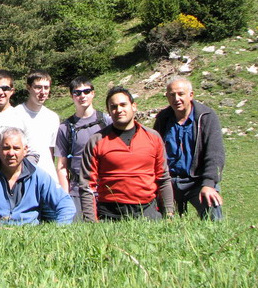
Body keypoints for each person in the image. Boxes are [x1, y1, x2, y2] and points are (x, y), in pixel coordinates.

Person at [79, 86, 174, 221]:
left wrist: (169, 213)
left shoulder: (153, 137)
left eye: (123, 105)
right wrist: (90, 221)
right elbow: (87, 185)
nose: (119, 110)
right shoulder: (96, 140)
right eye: (114, 107)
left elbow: (163, 178)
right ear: (109, 112)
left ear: (133, 106)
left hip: (147, 211)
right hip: (110, 214)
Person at [0, 128, 75, 225]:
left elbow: (66, 204)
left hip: (31, 237)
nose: (11, 153)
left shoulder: (39, 176)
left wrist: (60, 230)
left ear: (25, 150)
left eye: (16, 148)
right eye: (6, 148)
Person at [153, 77, 225, 220]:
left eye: (181, 94)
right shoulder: (163, 118)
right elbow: (154, 151)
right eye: (172, 95)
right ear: (167, 96)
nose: (176, 99)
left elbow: (215, 154)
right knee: (158, 221)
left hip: (197, 180)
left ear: (191, 95)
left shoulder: (206, 117)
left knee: (213, 209)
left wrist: (209, 184)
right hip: (169, 181)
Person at [55, 76, 112, 219]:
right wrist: (65, 196)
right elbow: (62, 166)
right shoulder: (65, 128)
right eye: (77, 92)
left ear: (93, 93)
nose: (82, 96)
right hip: (77, 190)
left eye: (86, 91)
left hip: (106, 188)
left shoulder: (107, 121)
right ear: (72, 96)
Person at [14, 70, 60, 185]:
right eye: (38, 87)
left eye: (46, 88)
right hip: (23, 178)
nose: (43, 92)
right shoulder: (15, 114)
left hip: (48, 178)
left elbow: (52, 151)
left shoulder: (53, 117)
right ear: (29, 88)